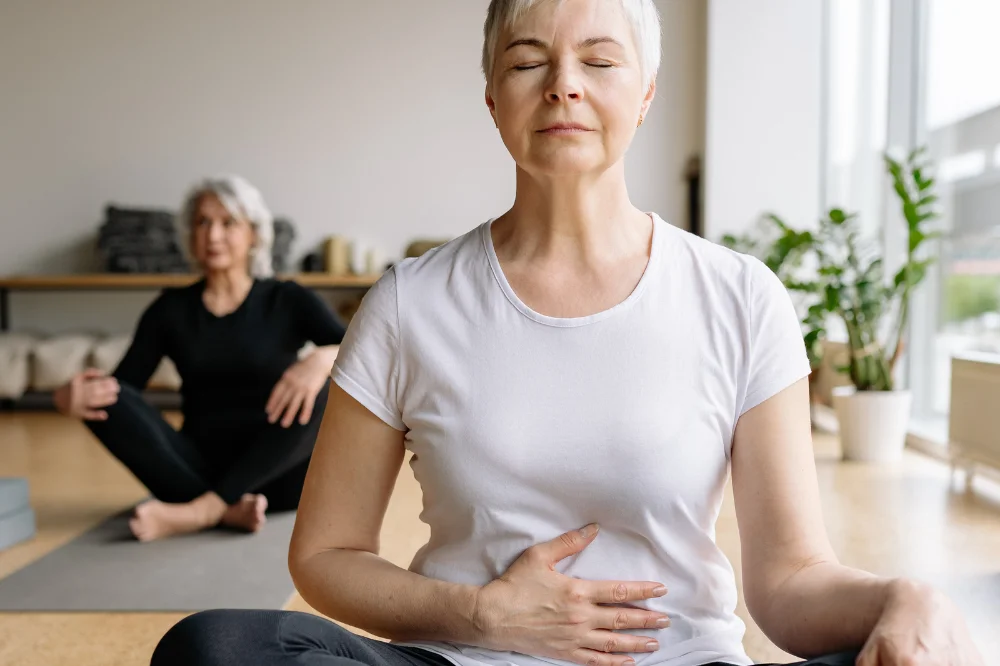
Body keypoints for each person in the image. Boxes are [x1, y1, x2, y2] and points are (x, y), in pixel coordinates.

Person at [151, 1, 985, 665]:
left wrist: (901, 597)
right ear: (492, 95)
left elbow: (789, 580)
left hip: (677, 662)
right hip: (462, 662)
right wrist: (482, 615)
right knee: (213, 648)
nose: (563, 85)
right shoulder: (409, 303)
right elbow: (325, 554)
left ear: (646, 90)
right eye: (526, 61)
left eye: (599, 59)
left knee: (904, 649)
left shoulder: (740, 296)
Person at [54, 175, 346, 542]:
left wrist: (320, 360)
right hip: (194, 468)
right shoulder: (170, 309)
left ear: (254, 234)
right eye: (202, 222)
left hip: (278, 476)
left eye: (228, 223)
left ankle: (202, 511)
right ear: (190, 235)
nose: (213, 234)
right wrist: (68, 399)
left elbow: (360, 351)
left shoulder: (286, 299)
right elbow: (123, 389)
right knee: (105, 395)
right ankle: (225, 508)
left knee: (334, 384)